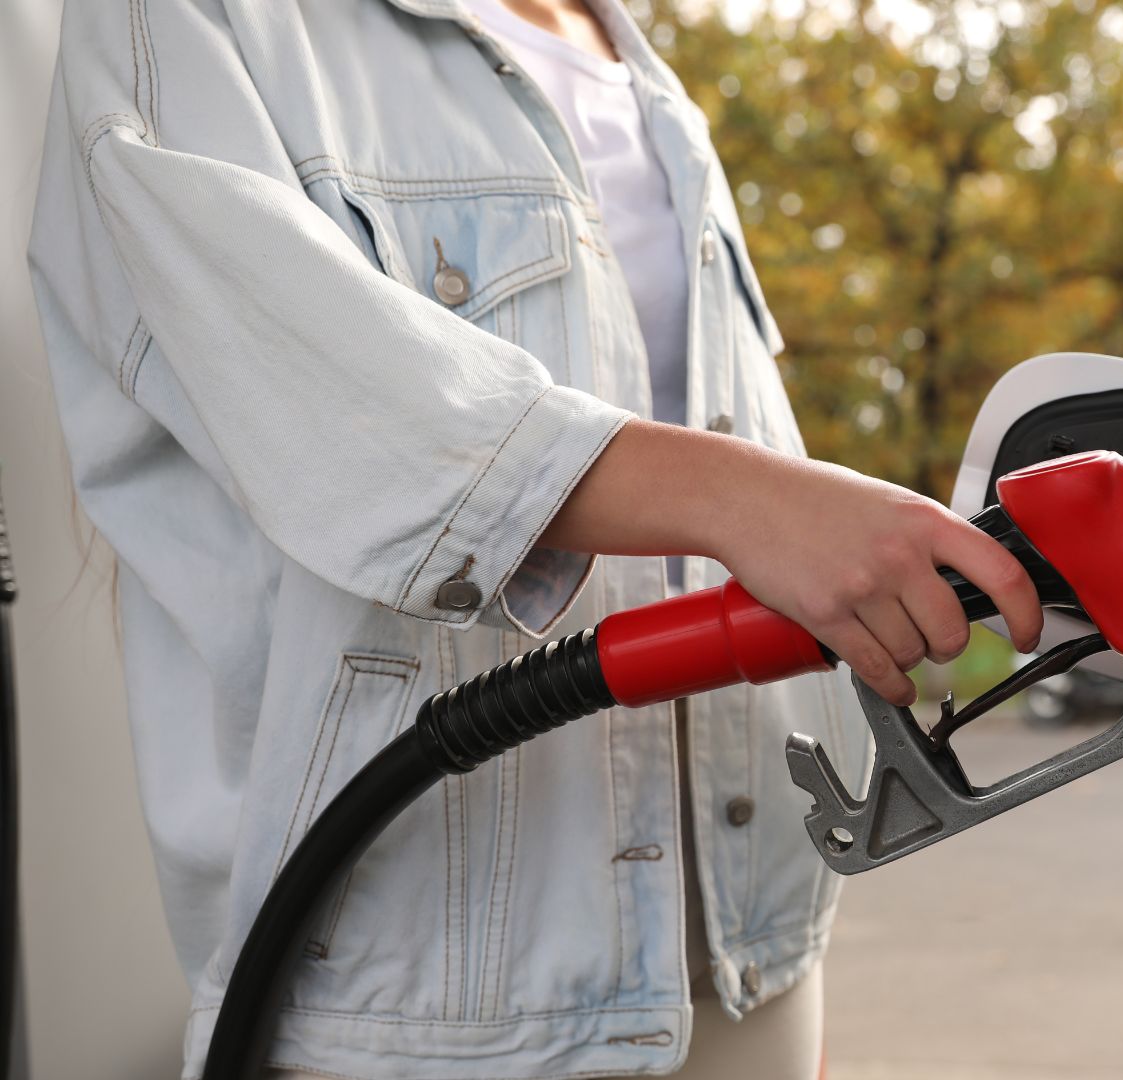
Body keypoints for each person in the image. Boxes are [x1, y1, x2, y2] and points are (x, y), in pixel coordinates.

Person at [27, 0, 1044, 1077]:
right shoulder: (200, 20)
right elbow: (346, 415)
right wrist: (750, 499)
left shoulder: (649, 84)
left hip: (749, 961)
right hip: (432, 1004)